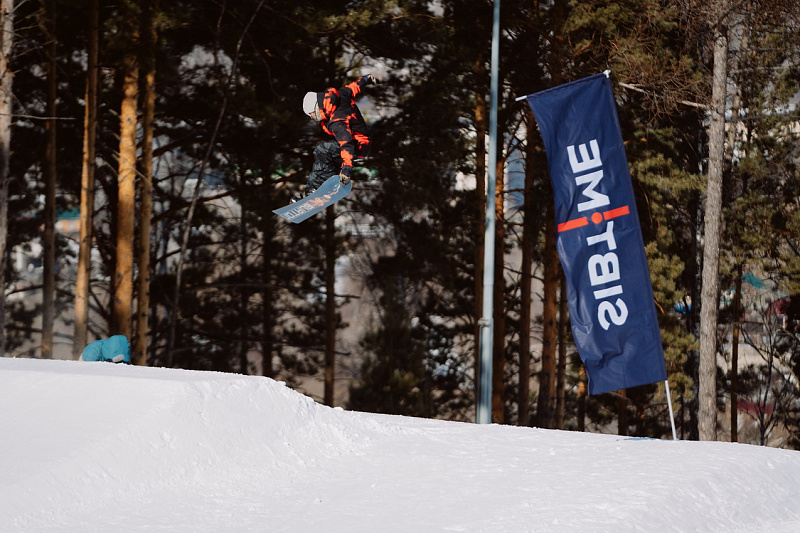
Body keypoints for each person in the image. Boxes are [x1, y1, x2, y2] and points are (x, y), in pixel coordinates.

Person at [295, 74, 377, 201]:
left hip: (358, 145)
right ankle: (315, 189)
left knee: (323, 150)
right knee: (325, 155)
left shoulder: (337, 121)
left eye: (311, 114)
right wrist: (366, 79)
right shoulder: (339, 96)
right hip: (360, 141)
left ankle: (320, 188)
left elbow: (346, 144)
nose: (312, 118)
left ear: (316, 108)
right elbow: (353, 87)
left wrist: (346, 169)